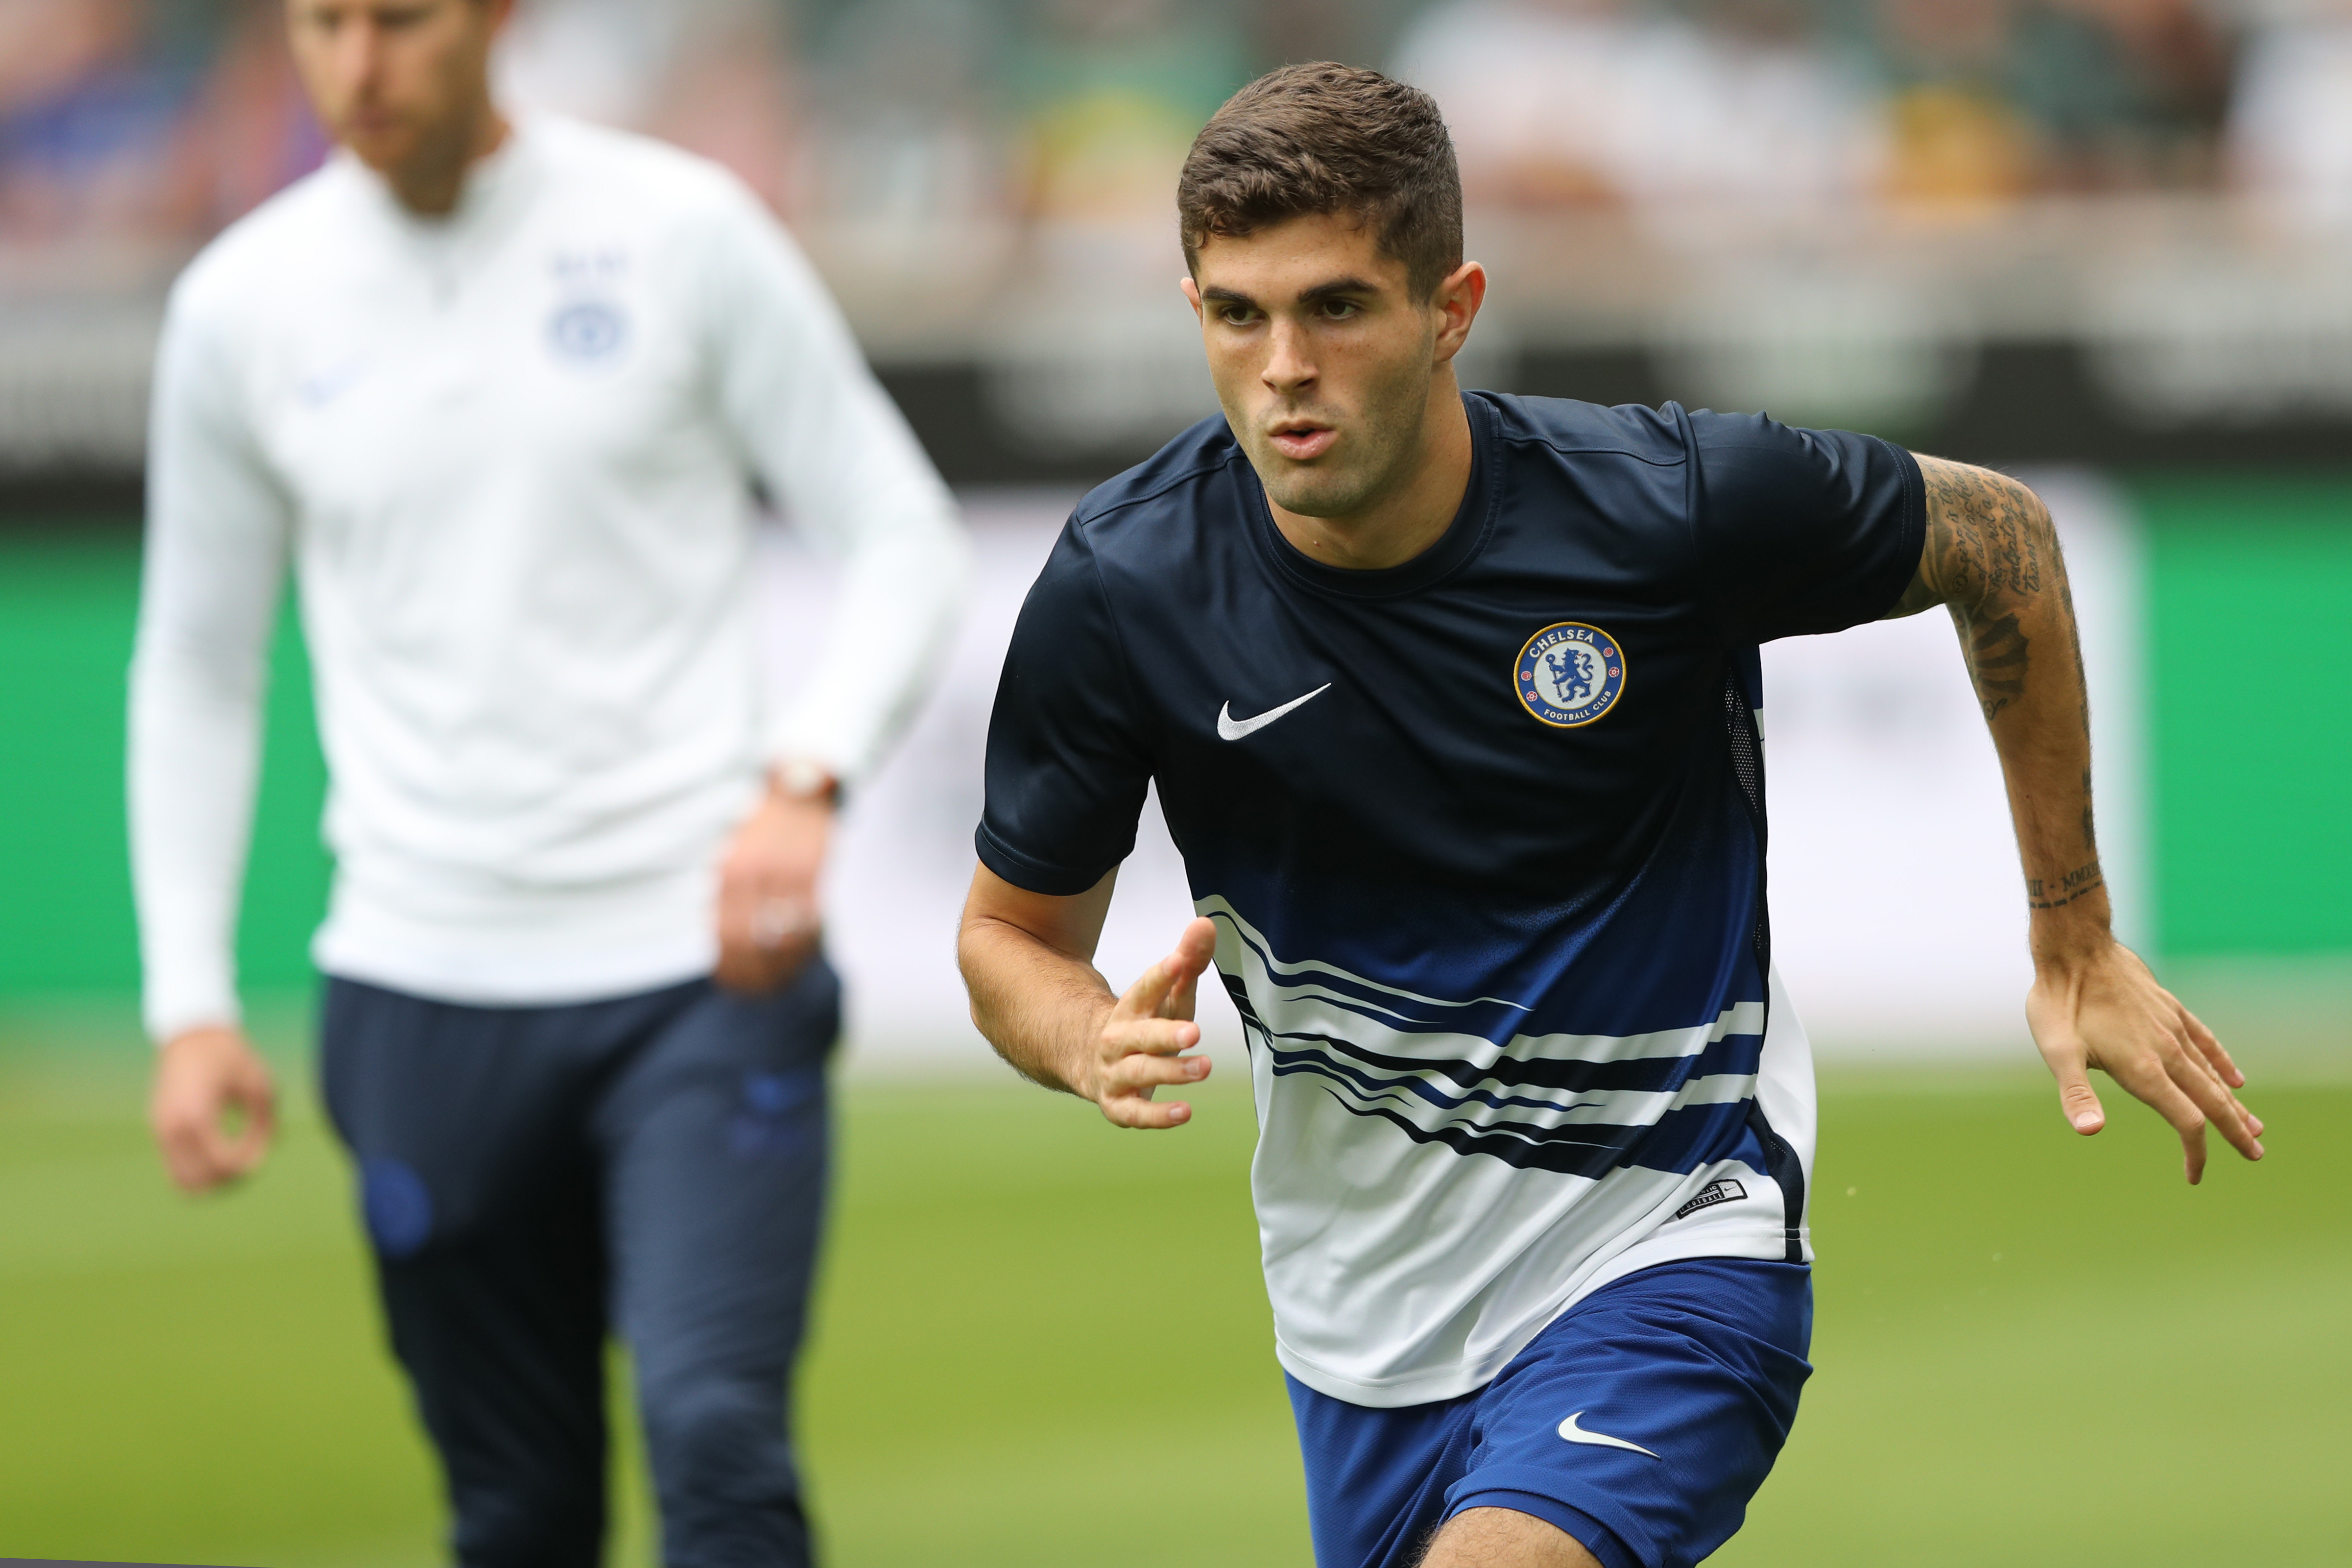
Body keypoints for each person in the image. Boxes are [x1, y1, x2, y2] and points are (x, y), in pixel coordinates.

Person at [956, 63, 2262, 1568]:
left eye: (1336, 308)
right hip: (1361, 1325)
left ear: (1451, 309)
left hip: (1673, 1234)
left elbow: (1998, 536)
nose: (1284, 367)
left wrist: (2072, 932)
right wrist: (1079, 1035)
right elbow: (1007, 939)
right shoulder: (1126, 584)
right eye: (1236, 316)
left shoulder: (1659, 506)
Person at [130, 1, 968, 1564]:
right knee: (517, 1512)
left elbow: (902, 534)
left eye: (401, 18)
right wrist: (189, 1000)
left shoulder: (679, 232)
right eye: (323, 21)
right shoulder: (240, 303)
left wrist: (808, 774)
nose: (359, 64)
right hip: (417, 985)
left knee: (716, 1437)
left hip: (701, 969)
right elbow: (197, 659)